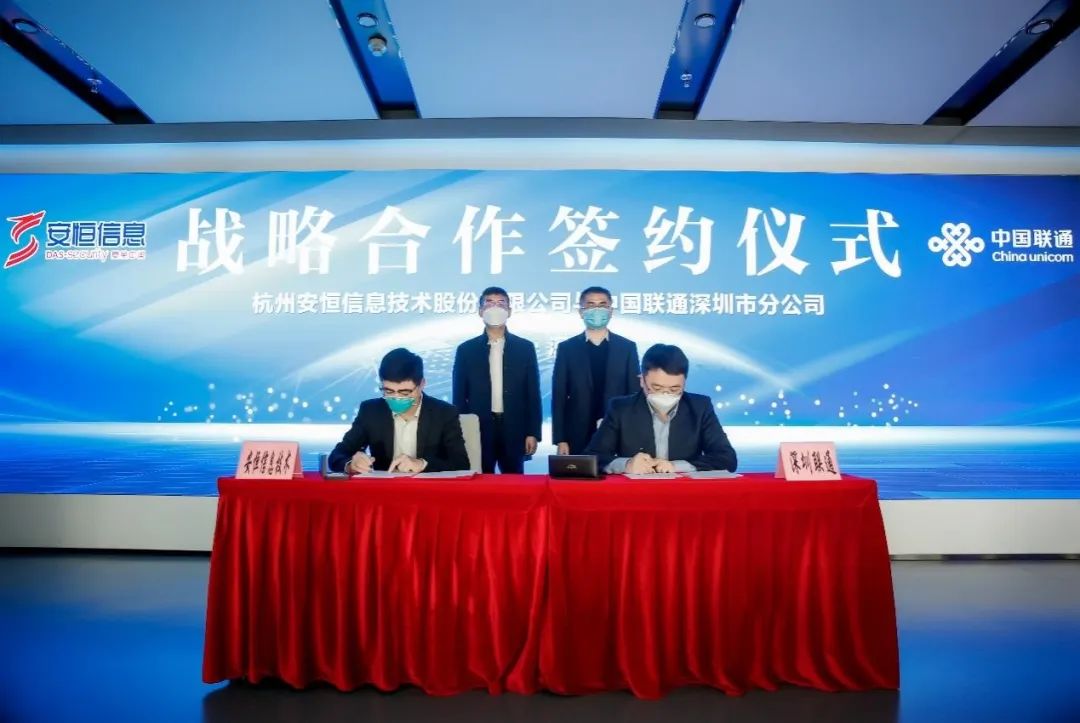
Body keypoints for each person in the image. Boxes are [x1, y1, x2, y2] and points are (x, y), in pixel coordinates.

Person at [585, 343, 737, 473]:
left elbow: (726, 458)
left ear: (684, 383)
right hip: (637, 492)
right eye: (656, 388)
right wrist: (627, 465)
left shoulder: (700, 407)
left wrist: (677, 466)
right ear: (642, 381)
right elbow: (593, 457)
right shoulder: (620, 409)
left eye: (674, 389)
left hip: (685, 492)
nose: (665, 394)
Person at [328, 348, 470, 474]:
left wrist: (422, 464)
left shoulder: (444, 413)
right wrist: (351, 465)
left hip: (427, 491)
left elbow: (461, 464)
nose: (396, 398)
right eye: (389, 391)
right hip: (384, 491)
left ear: (421, 384)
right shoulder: (371, 411)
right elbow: (337, 456)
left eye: (404, 392)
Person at [452, 286, 541, 473]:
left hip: (515, 428)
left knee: (514, 482)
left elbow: (533, 394)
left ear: (509, 311)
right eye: (489, 303)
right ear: (480, 311)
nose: (495, 308)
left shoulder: (525, 348)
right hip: (479, 428)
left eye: (501, 303)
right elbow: (459, 396)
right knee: (480, 481)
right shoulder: (466, 350)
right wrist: (461, 432)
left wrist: (533, 432)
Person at [552, 286, 639, 455]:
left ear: (611, 311)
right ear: (581, 312)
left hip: (617, 430)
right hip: (577, 432)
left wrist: (632, 435)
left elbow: (634, 394)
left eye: (602, 305)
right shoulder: (567, 348)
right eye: (591, 305)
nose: (597, 310)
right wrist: (560, 439)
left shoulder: (627, 347)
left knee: (614, 472)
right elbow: (559, 396)